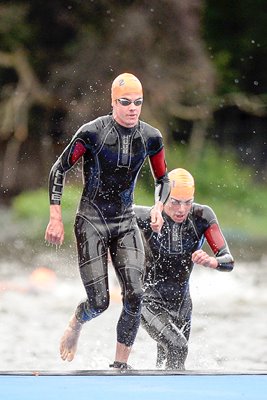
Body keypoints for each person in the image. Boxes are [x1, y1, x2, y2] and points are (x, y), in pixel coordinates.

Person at [44, 72, 170, 370]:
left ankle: (119, 366)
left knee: (136, 294)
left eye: (138, 103)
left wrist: (158, 206)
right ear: (113, 102)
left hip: (125, 221)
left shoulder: (151, 137)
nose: (132, 108)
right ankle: (77, 320)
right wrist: (55, 216)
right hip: (92, 220)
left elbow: (163, 178)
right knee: (99, 302)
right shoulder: (92, 133)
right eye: (125, 102)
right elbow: (58, 170)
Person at [134, 168, 234, 370]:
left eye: (187, 202)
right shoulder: (145, 216)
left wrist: (211, 262)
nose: (181, 209)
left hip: (182, 305)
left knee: (167, 362)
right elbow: (108, 222)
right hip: (148, 300)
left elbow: (228, 260)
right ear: (163, 199)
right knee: (178, 347)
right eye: (175, 202)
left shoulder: (202, 216)